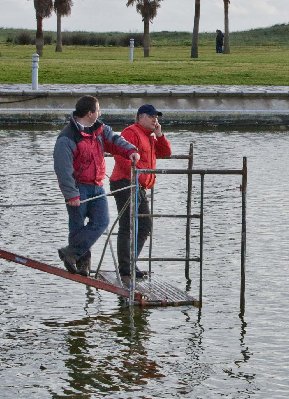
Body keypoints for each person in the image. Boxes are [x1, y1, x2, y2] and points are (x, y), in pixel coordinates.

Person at [53, 95, 140, 276]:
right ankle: (83, 263)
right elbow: (63, 169)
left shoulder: (100, 129)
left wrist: (131, 151)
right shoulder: (67, 138)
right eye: (98, 109)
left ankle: (71, 253)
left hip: (97, 185)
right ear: (90, 113)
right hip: (78, 188)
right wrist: (71, 195)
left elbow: (115, 141)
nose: (100, 113)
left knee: (101, 222)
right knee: (77, 227)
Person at [110, 104, 172, 278]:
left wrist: (159, 135)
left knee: (144, 225)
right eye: (151, 116)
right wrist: (136, 174)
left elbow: (166, 153)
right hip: (126, 183)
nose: (155, 119)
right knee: (128, 225)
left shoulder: (150, 137)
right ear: (140, 117)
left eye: (157, 117)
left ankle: (130, 263)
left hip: (139, 186)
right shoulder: (131, 132)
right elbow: (120, 155)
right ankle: (126, 266)